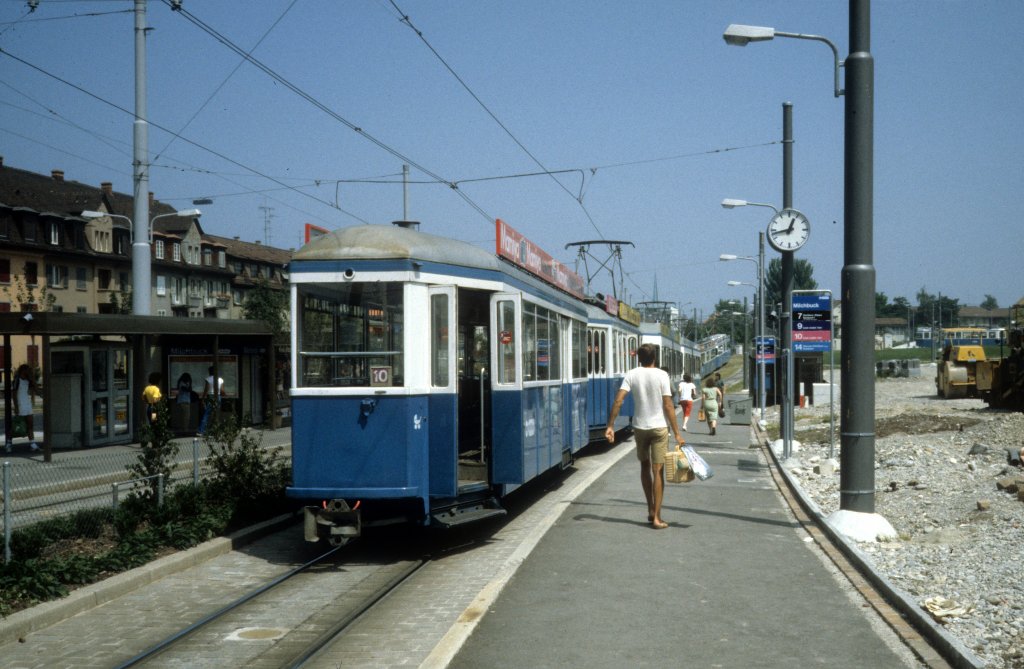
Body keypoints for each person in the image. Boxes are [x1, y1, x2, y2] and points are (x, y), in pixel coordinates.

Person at [605, 343, 685, 530]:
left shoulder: (632, 374)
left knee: (644, 466)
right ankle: (657, 517)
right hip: (659, 428)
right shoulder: (662, 375)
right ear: (655, 358)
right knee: (658, 471)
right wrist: (677, 433)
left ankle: (650, 508)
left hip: (640, 427)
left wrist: (610, 425)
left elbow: (619, 400)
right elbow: (668, 405)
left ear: (638, 358)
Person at [11, 364, 39, 452]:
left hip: (27, 404)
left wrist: (32, 378)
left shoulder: (27, 380)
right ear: (23, 370)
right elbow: (14, 394)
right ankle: (9, 442)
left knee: (30, 424)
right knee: (18, 424)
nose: (29, 371)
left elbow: (35, 388)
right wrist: (16, 407)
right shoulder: (17, 380)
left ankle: (33, 444)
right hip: (20, 404)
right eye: (28, 370)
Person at [198, 366, 224, 435]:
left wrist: (203, 399)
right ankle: (216, 430)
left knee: (207, 414)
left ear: (209, 372)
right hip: (218, 396)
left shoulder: (208, 379)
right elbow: (222, 390)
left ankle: (201, 431)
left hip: (210, 396)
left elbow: (206, 389)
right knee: (216, 413)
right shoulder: (220, 379)